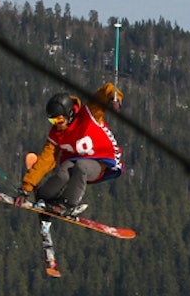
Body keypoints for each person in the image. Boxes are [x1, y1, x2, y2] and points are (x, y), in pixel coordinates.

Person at [17, 82, 123, 269]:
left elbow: (106, 90)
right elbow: (45, 161)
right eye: (52, 121)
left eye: (58, 120)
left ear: (69, 114)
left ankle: (68, 204)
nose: (56, 125)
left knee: (80, 166)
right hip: (74, 163)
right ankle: (46, 196)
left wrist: (115, 98)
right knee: (64, 170)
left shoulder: (88, 114)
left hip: (102, 163)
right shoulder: (56, 135)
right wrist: (26, 187)